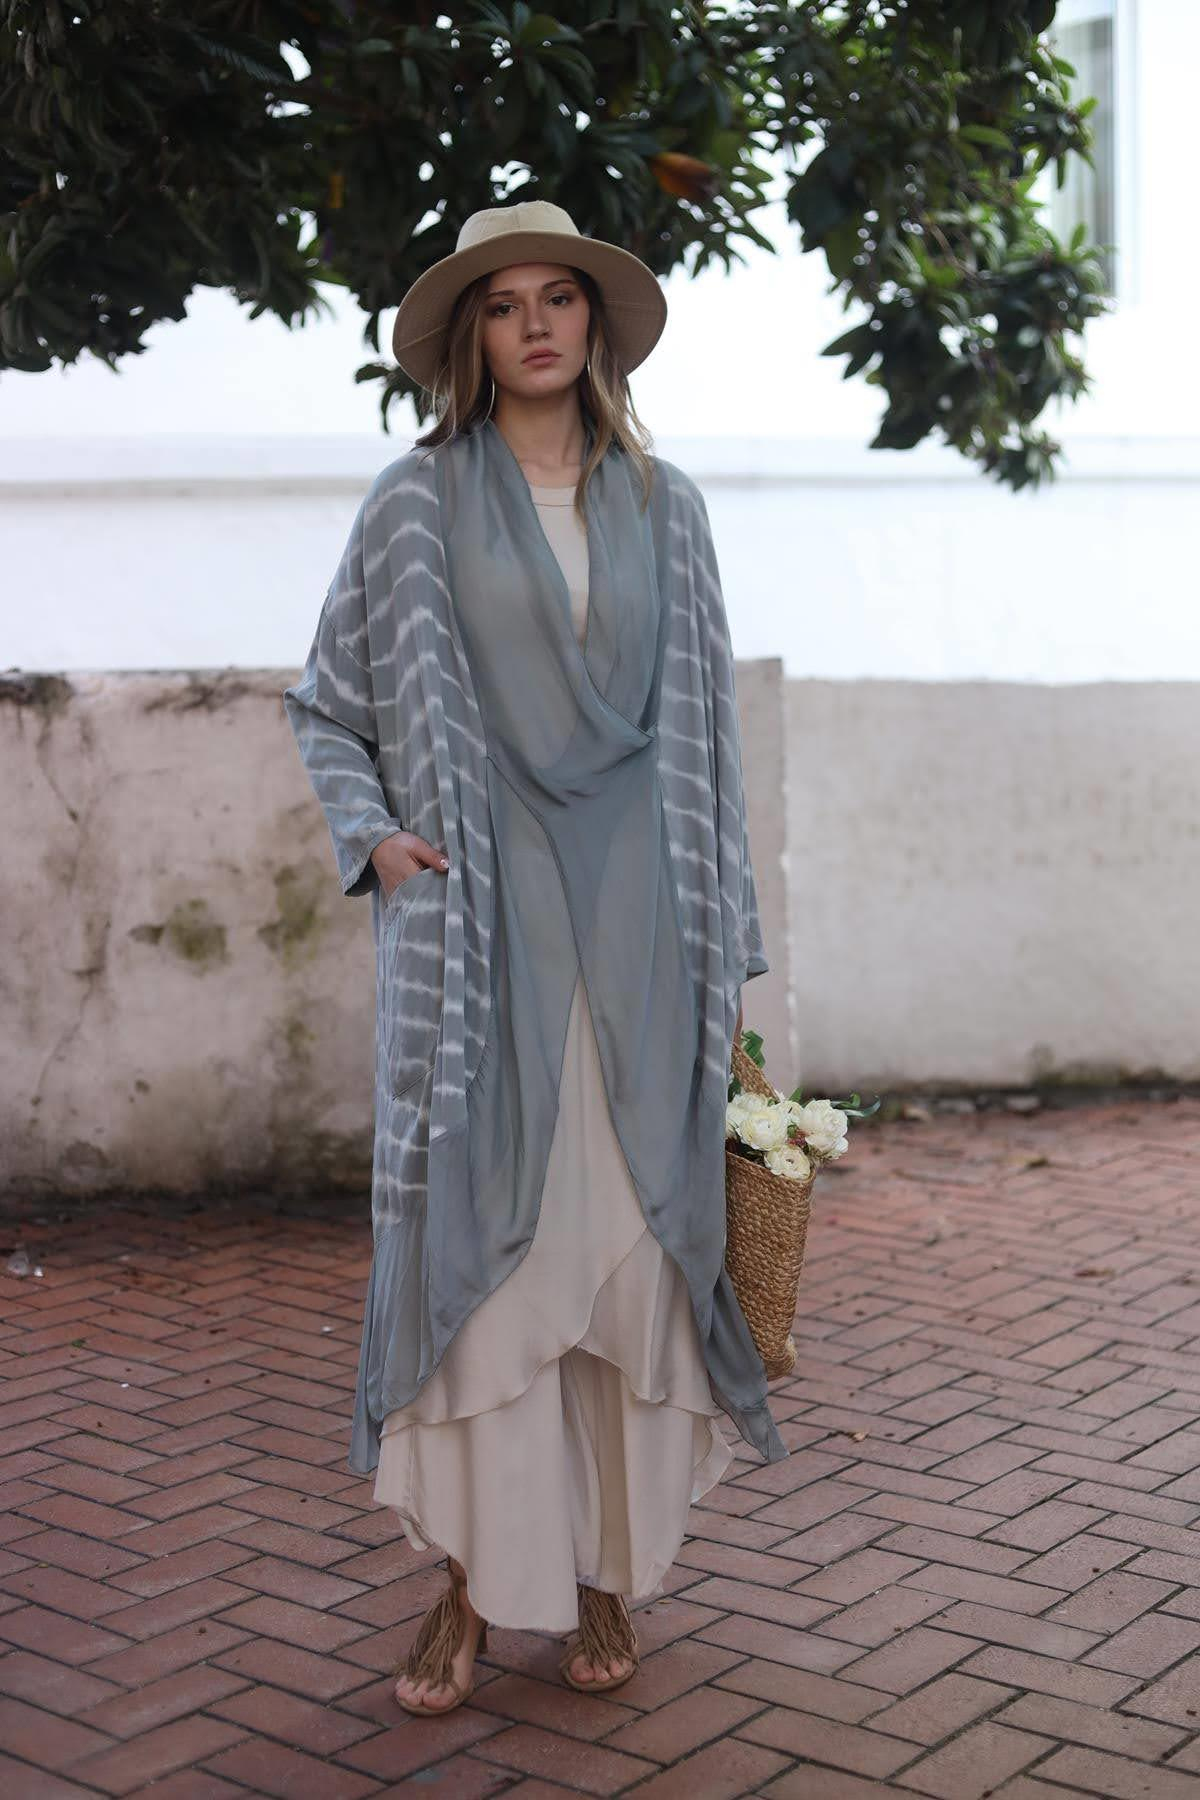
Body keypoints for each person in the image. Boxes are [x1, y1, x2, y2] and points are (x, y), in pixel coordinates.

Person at [282, 198, 782, 1720]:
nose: (536, 326)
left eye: (559, 297)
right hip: (485, 939)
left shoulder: (666, 507)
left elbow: (707, 738)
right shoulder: (415, 504)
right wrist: (376, 838)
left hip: (642, 936)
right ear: (472, 340)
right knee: (489, 1272)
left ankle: (607, 1572)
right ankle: (467, 1585)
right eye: (503, 307)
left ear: (596, 323)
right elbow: (328, 701)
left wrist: (728, 947)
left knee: (625, 1261)